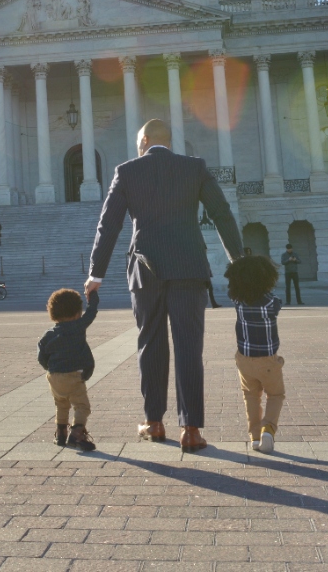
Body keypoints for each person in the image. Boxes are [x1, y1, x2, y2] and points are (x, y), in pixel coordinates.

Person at [87, 118, 242, 453]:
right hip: (188, 265)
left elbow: (108, 225)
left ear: (143, 141)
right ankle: (191, 429)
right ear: (168, 142)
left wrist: (95, 273)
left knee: (151, 344)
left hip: (145, 269)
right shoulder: (194, 167)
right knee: (189, 347)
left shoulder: (127, 171)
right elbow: (222, 213)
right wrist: (238, 260)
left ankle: (154, 421)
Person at [225, 255, 285, 453]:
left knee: (250, 396)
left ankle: (255, 436)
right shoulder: (271, 302)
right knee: (275, 394)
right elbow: (278, 304)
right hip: (267, 359)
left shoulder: (238, 301)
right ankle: (268, 428)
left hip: (244, 358)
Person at [38, 286, 100, 451]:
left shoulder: (48, 335)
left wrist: (50, 368)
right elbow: (92, 311)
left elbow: (41, 356)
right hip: (73, 376)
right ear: (76, 313)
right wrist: (92, 295)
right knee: (82, 406)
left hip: (54, 376)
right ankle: (77, 433)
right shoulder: (78, 327)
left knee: (61, 404)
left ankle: (60, 434)